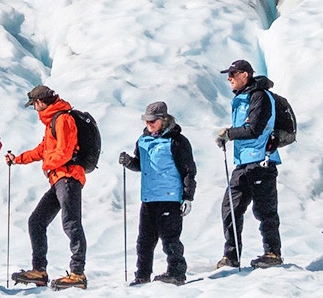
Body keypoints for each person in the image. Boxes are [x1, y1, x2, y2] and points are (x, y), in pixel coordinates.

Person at [6, 85, 88, 289]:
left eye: (34, 104)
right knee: (36, 221)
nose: (34, 109)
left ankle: (78, 273)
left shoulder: (63, 119)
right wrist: (17, 159)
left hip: (68, 177)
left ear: (40, 102)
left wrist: (47, 165)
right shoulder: (53, 122)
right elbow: (43, 150)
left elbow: (64, 153)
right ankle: (39, 271)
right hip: (59, 178)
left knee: (71, 223)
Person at [213, 59, 284, 270]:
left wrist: (229, 134)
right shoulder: (244, 98)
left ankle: (272, 253)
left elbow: (254, 128)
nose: (229, 78)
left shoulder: (259, 96)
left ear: (245, 75)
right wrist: (230, 134)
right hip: (244, 163)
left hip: (262, 161)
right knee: (230, 209)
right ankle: (231, 256)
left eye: (233, 74)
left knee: (265, 211)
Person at [117, 101, 197, 285]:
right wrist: (129, 162)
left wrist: (188, 196)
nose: (149, 125)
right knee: (144, 241)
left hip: (169, 198)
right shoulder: (143, 141)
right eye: (146, 121)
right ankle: (142, 275)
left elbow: (188, 170)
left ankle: (176, 273)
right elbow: (140, 164)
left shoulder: (177, 141)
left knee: (170, 239)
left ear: (163, 119)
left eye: (153, 121)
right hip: (148, 198)